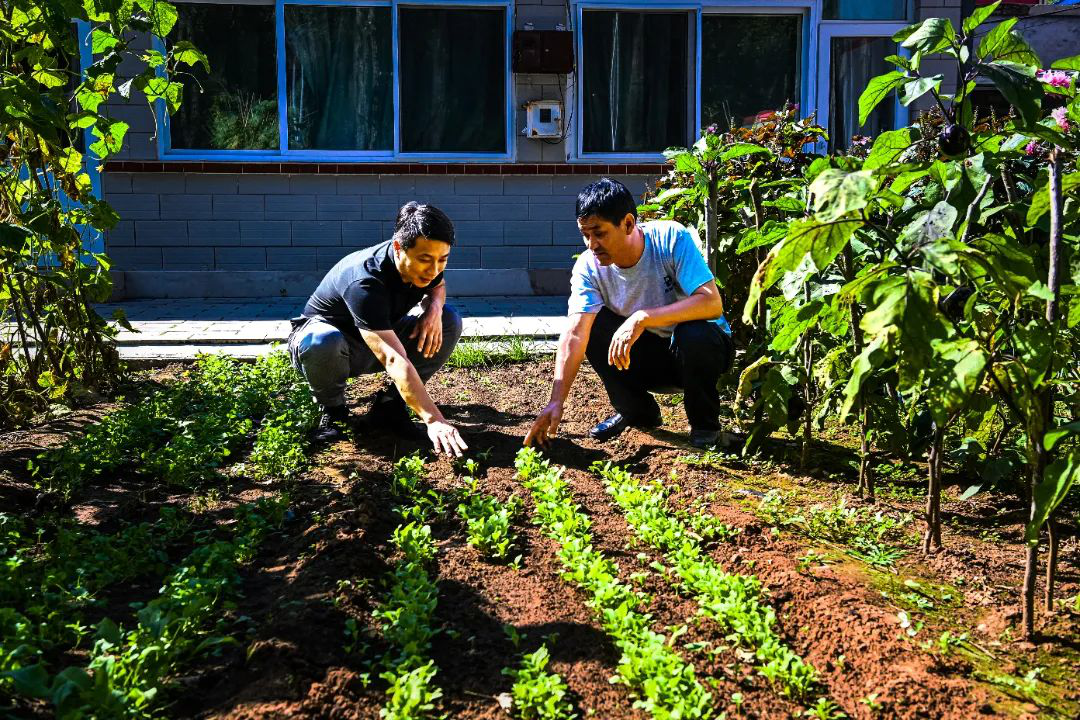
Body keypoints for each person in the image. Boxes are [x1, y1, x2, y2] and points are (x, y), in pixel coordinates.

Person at [525, 178, 734, 450]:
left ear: (627, 223)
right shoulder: (589, 268)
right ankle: (636, 411)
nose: (591, 244)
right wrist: (556, 401)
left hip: (701, 353)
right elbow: (575, 333)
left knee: (693, 332)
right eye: (585, 234)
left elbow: (711, 304)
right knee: (593, 324)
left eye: (599, 233)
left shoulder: (671, 239)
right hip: (648, 356)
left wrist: (642, 317)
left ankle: (706, 428)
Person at [289, 202, 468, 456]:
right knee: (323, 340)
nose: (434, 269)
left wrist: (435, 308)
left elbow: (437, 285)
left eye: (443, 259)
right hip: (331, 347)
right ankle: (334, 413)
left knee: (450, 321)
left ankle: (390, 407)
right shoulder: (364, 281)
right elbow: (393, 357)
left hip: (377, 337)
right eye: (426, 260)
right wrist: (434, 419)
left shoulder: (427, 262)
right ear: (398, 247)